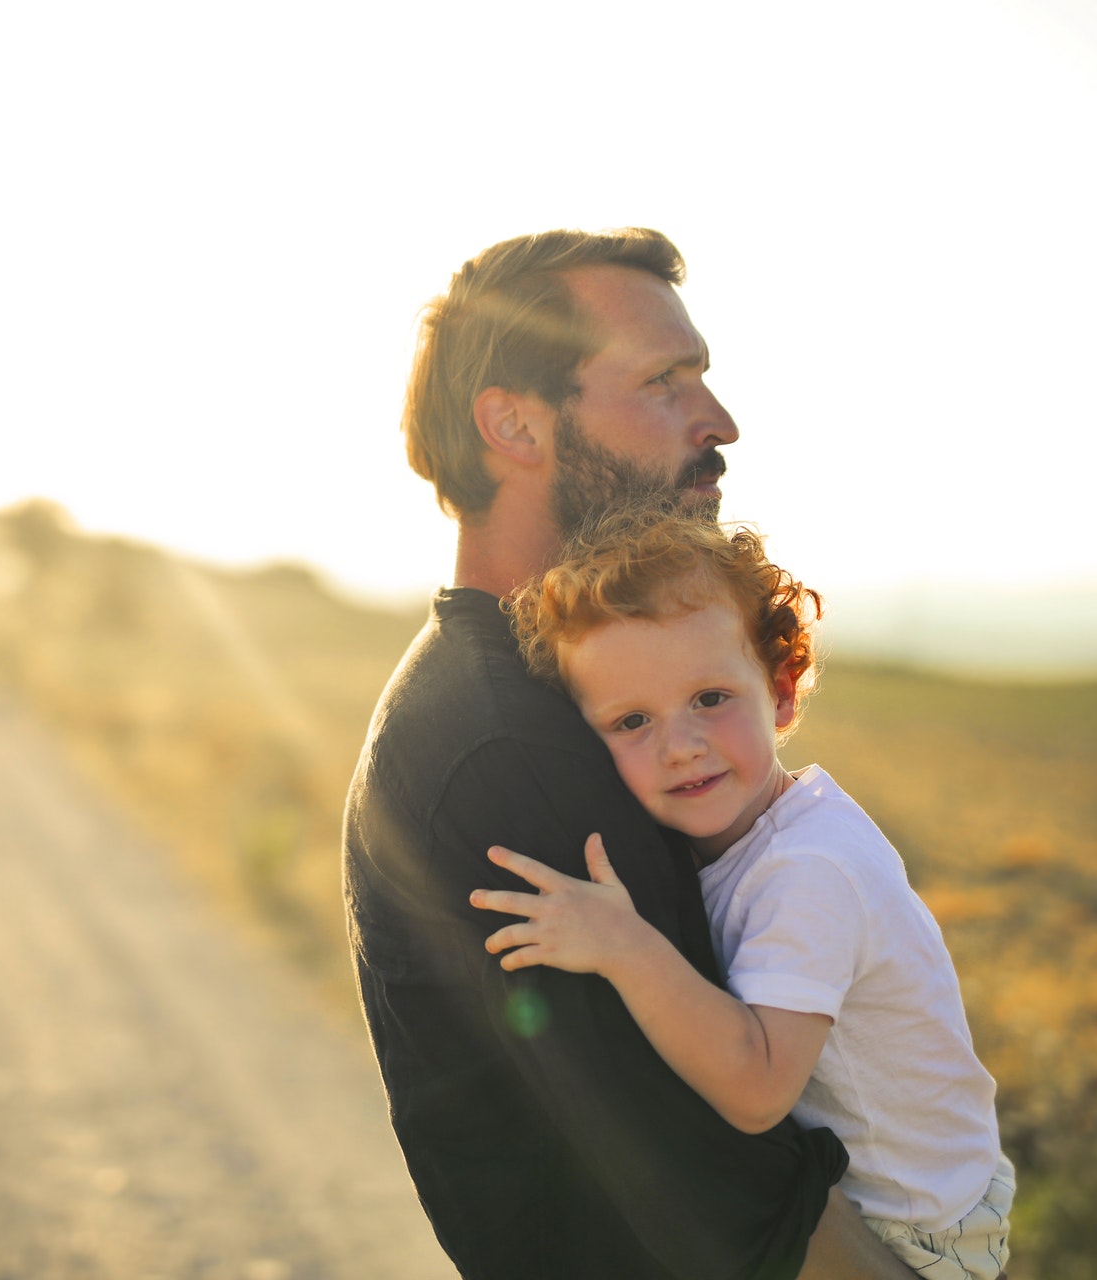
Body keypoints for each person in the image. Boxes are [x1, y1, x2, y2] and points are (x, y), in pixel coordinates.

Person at [342, 228, 924, 1277]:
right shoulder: (510, 745)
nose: (722, 423)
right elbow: (718, 1195)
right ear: (514, 424)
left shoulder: (533, 693)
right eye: (666, 380)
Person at [474, 506, 1013, 1280]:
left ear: (783, 689)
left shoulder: (809, 870)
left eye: (710, 699)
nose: (680, 744)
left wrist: (625, 947)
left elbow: (758, 1089)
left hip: (913, 1235)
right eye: (631, 720)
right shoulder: (742, 840)